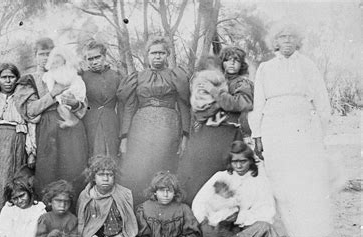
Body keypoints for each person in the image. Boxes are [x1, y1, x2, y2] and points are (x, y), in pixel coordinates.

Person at [248, 23, 332, 237]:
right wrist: (257, 135)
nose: (286, 40)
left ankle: (301, 233)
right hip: (274, 127)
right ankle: (281, 232)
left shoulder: (307, 66)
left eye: (291, 36)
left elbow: (322, 102)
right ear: (275, 42)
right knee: (277, 176)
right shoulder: (266, 68)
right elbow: (258, 104)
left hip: (301, 127)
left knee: (299, 177)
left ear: (297, 41)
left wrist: (318, 134)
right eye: (282, 37)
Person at [192, 141, 300, 237]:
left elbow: (267, 213)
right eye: (234, 162)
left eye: (243, 161)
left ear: (250, 161)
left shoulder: (259, 181)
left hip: (245, 232)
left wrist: (239, 217)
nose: (238, 165)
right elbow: (199, 202)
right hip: (218, 233)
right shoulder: (221, 176)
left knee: (264, 228)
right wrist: (205, 220)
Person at [117, 36, 190, 206]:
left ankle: (163, 208)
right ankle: (139, 209)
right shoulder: (138, 77)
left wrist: (185, 135)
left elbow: (184, 105)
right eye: (153, 53)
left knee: (163, 166)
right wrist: (124, 137)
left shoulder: (175, 76)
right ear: (147, 55)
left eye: (161, 53)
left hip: (168, 129)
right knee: (140, 168)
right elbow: (129, 107)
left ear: (167, 55)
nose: (157, 56)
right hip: (141, 129)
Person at [178, 46, 253, 205]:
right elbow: (200, 108)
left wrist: (213, 92)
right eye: (227, 60)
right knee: (195, 166)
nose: (231, 64)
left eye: (236, 60)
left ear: (242, 64)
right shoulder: (214, 78)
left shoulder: (243, 83)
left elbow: (240, 104)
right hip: (209, 130)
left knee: (224, 169)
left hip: (229, 132)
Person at [15, 37, 88, 201]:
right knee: (49, 172)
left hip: (72, 128)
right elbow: (30, 110)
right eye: (41, 54)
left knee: (73, 169)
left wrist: (75, 104)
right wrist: (53, 93)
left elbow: (84, 106)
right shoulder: (29, 80)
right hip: (47, 129)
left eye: (49, 54)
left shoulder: (68, 73)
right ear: (35, 56)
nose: (45, 58)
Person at [0, 62, 36, 219]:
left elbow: (30, 125)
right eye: (4, 77)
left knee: (14, 180)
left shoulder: (22, 99)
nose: (8, 81)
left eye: (12, 77)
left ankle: (13, 222)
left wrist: (31, 151)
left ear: (17, 79)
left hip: (17, 141)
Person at [77, 155, 146, 237]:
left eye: (110, 175)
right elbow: (81, 226)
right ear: (93, 177)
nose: (106, 179)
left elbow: (129, 227)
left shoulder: (123, 194)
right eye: (101, 175)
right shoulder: (86, 196)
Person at [136, 171, 215, 237]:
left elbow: (194, 234)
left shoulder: (183, 208)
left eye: (169, 191)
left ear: (175, 193)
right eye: (161, 190)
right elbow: (142, 236)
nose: (165, 194)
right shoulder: (144, 209)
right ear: (154, 192)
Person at [81, 40, 123, 158]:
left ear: (104, 56)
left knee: (112, 156)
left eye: (97, 57)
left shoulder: (116, 75)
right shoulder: (82, 77)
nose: (94, 62)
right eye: (90, 59)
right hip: (89, 123)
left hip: (112, 123)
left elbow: (123, 105)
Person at [42, 47, 87, 128]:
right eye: (54, 62)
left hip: (72, 91)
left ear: (65, 62)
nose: (56, 65)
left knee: (64, 106)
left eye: (59, 62)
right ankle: (70, 120)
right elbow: (50, 83)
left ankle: (71, 120)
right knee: (61, 107)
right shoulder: (51, 74)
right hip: (52, 116)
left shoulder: (69, 72)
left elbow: (67, 81)